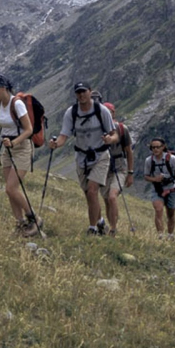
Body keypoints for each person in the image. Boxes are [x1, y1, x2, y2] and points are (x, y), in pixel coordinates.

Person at [0, 74, 41, 237]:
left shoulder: (17, 104)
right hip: (7, 149)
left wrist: (14, 142)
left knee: (11, 188)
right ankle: (20, 224)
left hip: (22, 147)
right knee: (10, 190)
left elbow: (29, 130)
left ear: (3, 88)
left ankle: (34, 218)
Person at [49, 82, 117, 235]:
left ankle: (92, 228)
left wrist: (109, 140)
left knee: (93, 191)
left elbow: (114, 134)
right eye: (78, 92)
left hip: (101, 156)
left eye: (84, 91)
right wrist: (56, 144)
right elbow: (63, 135)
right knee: (88, 194)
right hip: (82, 157)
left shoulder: (101, 110)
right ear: (75, 94)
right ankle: (100, 222)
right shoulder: (71, 113)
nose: (81, 95)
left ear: (90, 92)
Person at [101, 102, 134, 236]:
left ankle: (113, 228)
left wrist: (130, 173)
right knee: (106, 200)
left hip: (119, 166)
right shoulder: (98, 129)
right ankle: (111, 226)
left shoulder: (122, 129)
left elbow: (129, 151)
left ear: (113, 113)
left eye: (109, 112)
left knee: (112, 196)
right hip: (103, 168)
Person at [144, 138, 175, 240]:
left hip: (171, 188)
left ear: (163, 147)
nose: (155, 149)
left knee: (171, 214)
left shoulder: (172, 159)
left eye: (158, 147)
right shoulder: (149, 161)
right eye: (153, 147)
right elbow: (146, 176)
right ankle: (160, 235)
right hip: (158, 189)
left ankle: (170, 235)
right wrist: (155, 179)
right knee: (158, 209)